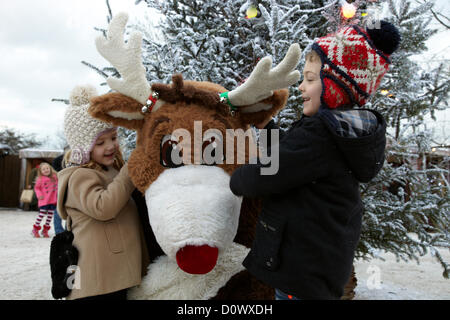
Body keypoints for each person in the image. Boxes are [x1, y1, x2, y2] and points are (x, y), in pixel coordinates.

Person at [229, 21, 400, 299]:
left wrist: (236, 180)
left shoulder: (321, 134)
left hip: (301, 274)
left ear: (335, 85)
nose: (301, 87)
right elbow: (290, 155)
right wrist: (263, 125)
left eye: (310, 79)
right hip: (316, 270)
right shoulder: (337, 132)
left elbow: (266, 174)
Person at [56, 85, 149, 300]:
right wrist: (129, 171)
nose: (110, 146)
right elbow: (103, 207)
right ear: (82, 147)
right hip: (96, 279)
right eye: (100, 142)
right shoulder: (79, 176)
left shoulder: (110, 169)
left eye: (113, 138)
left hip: (112, 273)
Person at [31, 162, 58, 238]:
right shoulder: (40, 179)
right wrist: (39, 195)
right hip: (44, 199)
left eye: (47, 168)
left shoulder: (55, 177)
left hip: (53, 199)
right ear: (40, 171)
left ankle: (45, 230)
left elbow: (58, 185)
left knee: (50, 215)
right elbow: (37, 188)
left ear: (50, 169)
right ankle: (35, 229)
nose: (46, 170)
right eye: (43, 169)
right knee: (41, 214)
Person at [51, 148, 69, 235]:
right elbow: (55, 165)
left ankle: (67, 229)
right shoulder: (59, 159)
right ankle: (58, 230)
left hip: (71, 187)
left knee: (70, 210)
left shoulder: (79, 158)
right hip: (62, 186)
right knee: (58, 210)